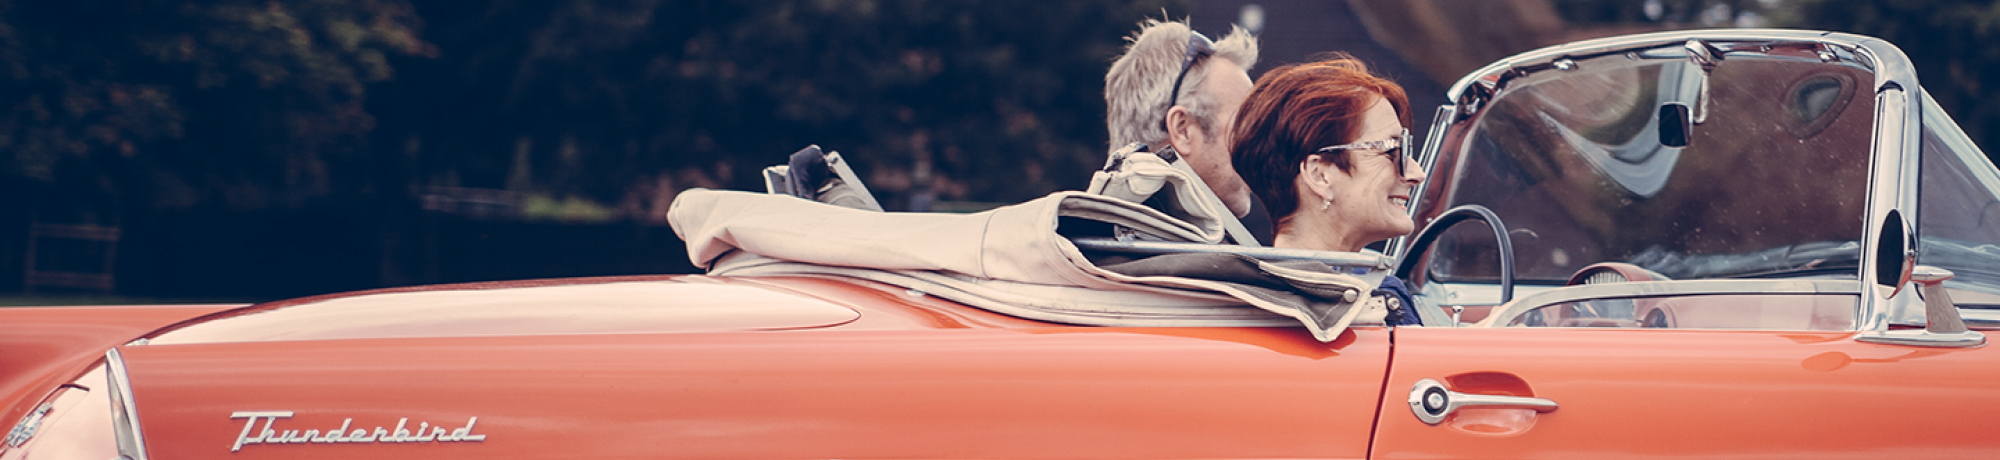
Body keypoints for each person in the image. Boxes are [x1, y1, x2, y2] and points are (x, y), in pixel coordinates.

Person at [1231, 56, 1426, 325]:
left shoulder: (1246, 305)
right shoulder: (1368, 307)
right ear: (1319, 175)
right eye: (1392, 151)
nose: (1416, 173)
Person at [1103, 19, 1273, 245]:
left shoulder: (1076, 245)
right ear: (1182, 129)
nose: (1262, 145)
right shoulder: (1198, 272)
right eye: (1246, 124)